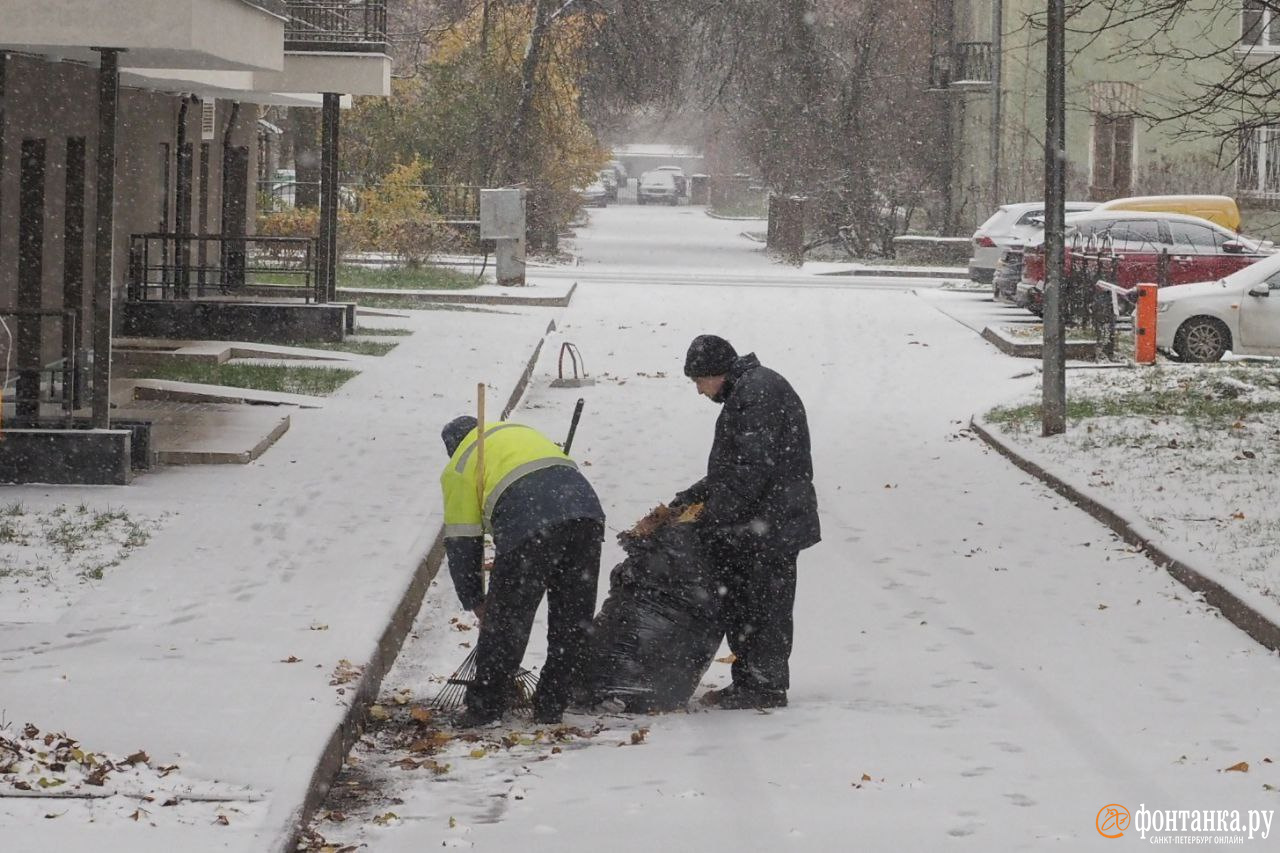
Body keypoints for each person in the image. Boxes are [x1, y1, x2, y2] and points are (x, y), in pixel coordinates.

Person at [673, 334, 820, 710]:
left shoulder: (756, 394)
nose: (698, 391)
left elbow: (750, 471)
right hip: (763, 523)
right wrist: (694, 497)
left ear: (715, 372)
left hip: (771, 525)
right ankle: (752, 680)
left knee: (763, 607)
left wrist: (710, 517)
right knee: (747, 604)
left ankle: (764, 686)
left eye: (698, 381)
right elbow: (735, 469)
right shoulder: (751, 389)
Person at [440, 415, 605, 726]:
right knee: (572, 617)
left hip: (529, 522)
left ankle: (486, 706)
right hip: (585, 513)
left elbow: (462, 542)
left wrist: (476, 599)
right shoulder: (519, 431)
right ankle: (552, 703)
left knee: (508, 621)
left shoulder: (459, 467)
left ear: (452, 447)